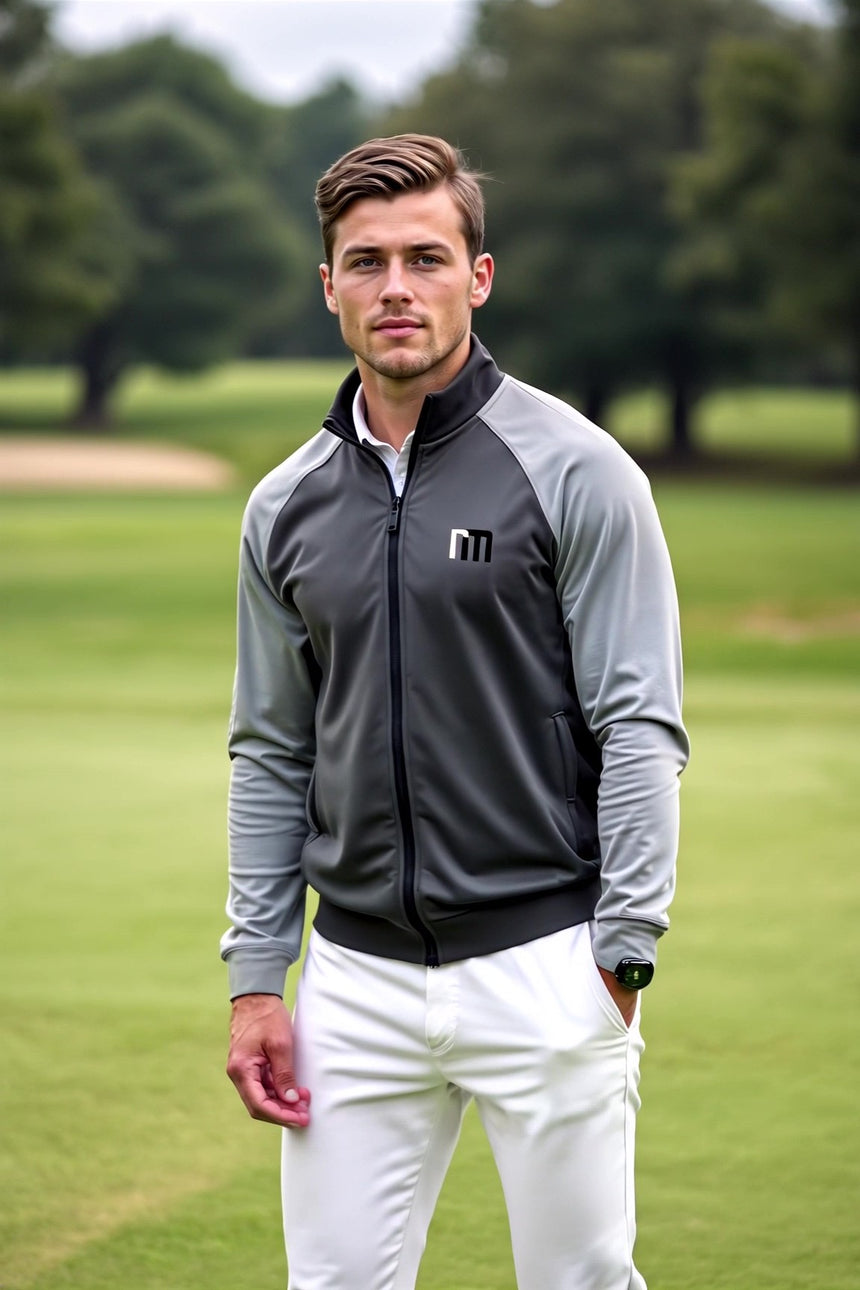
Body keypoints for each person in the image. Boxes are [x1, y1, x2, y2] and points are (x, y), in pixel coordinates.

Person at [223, 133, 690, 1290]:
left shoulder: (577, 470)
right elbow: (270, 750)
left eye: (426, 258)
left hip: (544, 964)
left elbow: (638, 724)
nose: (395, 288)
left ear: (476, 277)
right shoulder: (283, 506)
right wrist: (254, 980)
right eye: (365, 261)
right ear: (325, 283)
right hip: (354, 979)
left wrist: (620, 955)